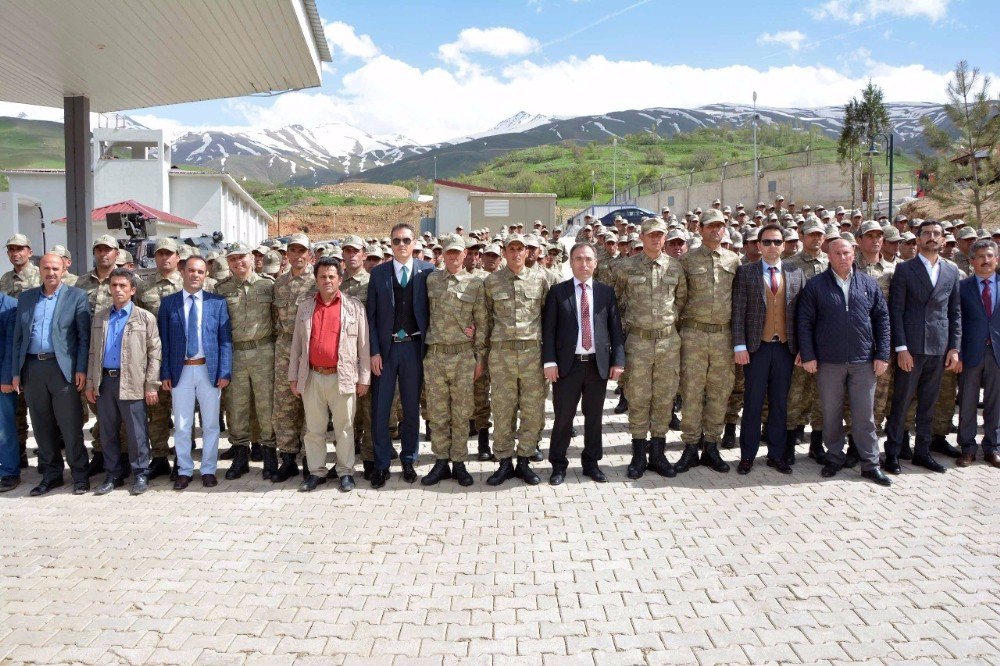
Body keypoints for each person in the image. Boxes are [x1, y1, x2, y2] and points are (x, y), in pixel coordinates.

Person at [797, 239, 892, 486]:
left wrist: (882, 355)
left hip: (863, 361)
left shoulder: (869, 284)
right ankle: (834, 457)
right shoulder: (816, 286)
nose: (842, 257)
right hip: (829, 362)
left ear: (854, 255)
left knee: (864, 417)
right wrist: (808, 355)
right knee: (831, 414)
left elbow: (882, 320)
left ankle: (870, 464)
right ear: (828, 256)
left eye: (847, 253)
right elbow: (804, 322)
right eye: (837, 253)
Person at [542, 243, 625, 485]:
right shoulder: (558, 292)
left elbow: (615, 330)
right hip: (568, 366)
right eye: (578, 258)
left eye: (588, 259)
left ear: (596, 263)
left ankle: (591, 463)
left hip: (596, 365)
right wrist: (549, 361)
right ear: (570, 262)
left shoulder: (605, 292)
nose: (584, 263)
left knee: (594, 417)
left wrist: (618, 360)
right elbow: (549, 331)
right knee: (563, 418)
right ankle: (558, 464)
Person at [884, 220, 962, 475]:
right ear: (917, 239)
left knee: (929, 403)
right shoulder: (904, 270)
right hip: (912, 348)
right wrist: (901, 348)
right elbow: (896, 311)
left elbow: (954, 313)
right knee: (902, 402)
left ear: (942, 239)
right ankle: (893, 453)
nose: (931, 237)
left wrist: (954, 347)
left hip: (938, 348)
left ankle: (922, 452)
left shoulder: (951, 271)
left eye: (936, 234)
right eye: (926, 233)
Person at [612, 217, 686, 479]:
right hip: (638, 342)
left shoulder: (676, 267)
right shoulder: (625, 268)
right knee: (638, 396)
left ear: (665, 238)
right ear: (641, 237)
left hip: (667, 342)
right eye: (650, 235)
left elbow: (681, 302)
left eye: (660, 235)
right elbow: (615, 302)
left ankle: (658, 453)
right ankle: (637, 454)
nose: (656, 239)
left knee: (665, 397)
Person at [10, 253, 91, 496]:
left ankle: (79, 475)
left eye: (55, 268)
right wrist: (16, 373)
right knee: (42, 425)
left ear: (64, 268)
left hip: (62, 369)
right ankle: (51, 474)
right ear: (40, 270)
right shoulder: (26, 298)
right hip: (33, 369)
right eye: (46, 268)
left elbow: (84, 338)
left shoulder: (76, 296)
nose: (51, 273)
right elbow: (18, 338)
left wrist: (81, 368)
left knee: (70, 425)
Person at [288, 257, 371, 492]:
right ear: (316, 279)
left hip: (342, 376)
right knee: (314, 430)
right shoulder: (305, 307)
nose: (327, 280)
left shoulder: (354, 307)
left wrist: (364, 378)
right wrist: (294, 377)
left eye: (331, 276)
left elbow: (363, 346)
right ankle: (316, 472)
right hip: (312, 376)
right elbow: (296, 346)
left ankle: (345, 471)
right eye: (322, 276)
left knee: (344, 428)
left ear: (340, 279)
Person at [731, 223, 807, 475]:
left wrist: (802, 348)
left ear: (784, 246)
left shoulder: (796, 272)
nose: (772, 246)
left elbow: (802, 316)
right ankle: (747, 456)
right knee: (752, 403)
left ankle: (776, 454)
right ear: (758, 246)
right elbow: (739, 311)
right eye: (766, 242)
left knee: (779, 404)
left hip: (785, 349)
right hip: (756, 348)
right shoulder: (746, 272)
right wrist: (739, 345)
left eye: (776, 242)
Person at [366, 223, 433, 488]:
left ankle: (408, 458)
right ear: (390, 245)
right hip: (387, 350)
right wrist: (374, 351)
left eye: (406, 240)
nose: (402, 245)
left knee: (410, 408)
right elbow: (371, 317)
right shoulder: (379, 274)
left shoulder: (428, 271)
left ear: (414, 242)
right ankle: (382, 464)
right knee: (381, 409)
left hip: (413, 349)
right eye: (396, 241)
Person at [158, 256, 232, 490]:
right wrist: (165, 372)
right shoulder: (169, 303)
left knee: (211, 424)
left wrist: (225, 371)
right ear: (183, 272)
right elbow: (164, 342)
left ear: (206, 275)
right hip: (181, 371)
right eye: (191, 270)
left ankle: (208, 469)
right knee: (182, 424)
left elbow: (225, 341)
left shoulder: (216, 303)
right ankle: (184, 470)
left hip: (208, 371)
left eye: (200, 271)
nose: (195, 275)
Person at [85, 269, 161, 495]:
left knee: (136, 431)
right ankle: (113, 474)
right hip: (105, 381)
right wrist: (91, 383)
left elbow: (154, 353)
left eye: (123, 286)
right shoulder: (101, 317)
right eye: (114, 285)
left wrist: (151, 385)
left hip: (133, 380)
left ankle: (140, 472)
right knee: (107, 430)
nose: (118, 290)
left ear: (132, 290)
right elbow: (92, 352)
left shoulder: (144, 317)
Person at [482, 234, 551, 486]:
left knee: (532, 409)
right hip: (501, 356)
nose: (516, 253)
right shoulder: (491, 282)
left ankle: (524, 459)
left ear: (527, 252)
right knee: (502, 409)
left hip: (533, 354)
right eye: (511, 249)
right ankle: (503, 461)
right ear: (504, 252)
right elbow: (486, 320)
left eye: (520, 249)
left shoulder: (540, 279)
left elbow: (547, 319)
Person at [421, 234, 487, 487]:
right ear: (442, 254)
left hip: (462, 356)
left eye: (458, 252)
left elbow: (481, 322)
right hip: (436, 355)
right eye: (449, 252)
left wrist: (479, 357)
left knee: (461, 413)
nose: (454, 256)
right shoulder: (431, 281)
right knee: (437, 413)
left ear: (465, 254)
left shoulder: (474, 284)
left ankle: (459, 461)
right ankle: (440, 461)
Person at [677, 209, 739, 474]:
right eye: (711, 226)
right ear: (700, 229)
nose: (716, 230)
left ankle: (711, 445)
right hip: (693, 336)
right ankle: (691, 446)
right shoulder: (687, 261)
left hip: (724, 337)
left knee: (719, 392)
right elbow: (678, 299)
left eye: (720, 226)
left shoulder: (734, 261)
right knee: (691, 392)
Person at [215, 243, 277, 481]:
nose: (238, 263)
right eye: (233, 260)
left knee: (265, 405)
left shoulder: (267, 285)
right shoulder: (223, 289)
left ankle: (270, 454)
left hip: (263, 351)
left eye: (242, 258)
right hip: (236, 354)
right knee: (236, 406)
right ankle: (240, 455)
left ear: (252, 259)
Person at [137, 237, 183, 480]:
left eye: (169, 254)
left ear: (178, 257)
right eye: (160, 254)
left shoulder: (189, 284)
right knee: (157, 410)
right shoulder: (144, 288)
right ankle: (160, 457)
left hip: (183, 357)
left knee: (184, 410)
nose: (165, 258)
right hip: (154, 357)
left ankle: (182, 458)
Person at [784, 218, 830, 463]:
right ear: (801, 237)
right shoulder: (788, 265)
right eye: (811, 234)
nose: (816, 238)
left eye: (820, 234)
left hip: (825, 339)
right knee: (796, 394)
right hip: (797, 340)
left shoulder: (831, 263)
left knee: (821, 396)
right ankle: (788, 445)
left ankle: (816, 445)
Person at [271, 233, 315, 483]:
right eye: (293, 251)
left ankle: (311, 459)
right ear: (286, 254)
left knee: (310, 404)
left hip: (310, 347)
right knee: (285, 405)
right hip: (285, 348)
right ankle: (287, 458)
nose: (297, 255)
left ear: (309, 254)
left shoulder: (316, 281)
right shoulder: (279, 284)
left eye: (302, 251)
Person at [956, 239, 1000, 469]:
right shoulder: (963, 287)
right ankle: (967, 448)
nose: (985, 260)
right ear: (972, 261)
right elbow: (957, 322)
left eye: (989, 255)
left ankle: (993, 448)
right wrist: (958, 353)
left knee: (996, 403)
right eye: (980, 256)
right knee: (967, 402)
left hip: (997, 354)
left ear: (997, 259)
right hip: (970, 353)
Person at [1, 233, 41, 471]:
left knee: (38, 407)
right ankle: (17, 455)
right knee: (15, 410)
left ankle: (49, 458)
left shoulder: (39, 276)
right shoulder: (4, 280)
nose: (16, 253)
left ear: (29, 250)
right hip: (11, 347)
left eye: (20, 249)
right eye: (11, 249)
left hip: (34, 349)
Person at [339, 236, 375, 478]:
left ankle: (371, 459)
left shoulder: (375, 283)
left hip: (367, 353)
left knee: (370, 409)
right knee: (344, 412)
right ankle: (345, 459)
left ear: (364, 254)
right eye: (348, 250)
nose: (352, 255)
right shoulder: (335, 283)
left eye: (356, 251)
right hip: (342, 357)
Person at [0, 292, 20, 492]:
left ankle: (9, 472)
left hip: (1, 381)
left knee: (3, 429)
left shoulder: (11, 305)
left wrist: (6, 378)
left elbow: (12, 345)